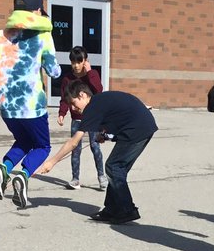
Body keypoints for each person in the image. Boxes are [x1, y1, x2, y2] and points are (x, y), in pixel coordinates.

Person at [0, 0, 61, 209]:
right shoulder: (43, 36)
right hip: (32, 106)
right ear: (36, 11)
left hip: (6, 105)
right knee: (42, 146)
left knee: (24, 141)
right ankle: (22, 176)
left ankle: (3, 168)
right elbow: (53, 71)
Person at [37, 83, 157, 224]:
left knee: (114, 167)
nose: (73, 108)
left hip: (137, 129)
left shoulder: (92, 107)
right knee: (117, 170)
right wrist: (104, 134)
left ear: (82, 95)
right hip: (143, 126)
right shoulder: (99, 102)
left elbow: (74, 142)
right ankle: (111, 209)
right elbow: (116, 115)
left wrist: (52, 161)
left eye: (74, 103)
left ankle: (127, 210)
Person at [57, 46, 105, 190]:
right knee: (75, 148)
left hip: (93, 118)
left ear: (85, 61)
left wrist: (89, 72)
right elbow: (65, 98)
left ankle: (102, 177)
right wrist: (62, 113)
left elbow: (99, 90)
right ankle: (75, 179)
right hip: (77, 119)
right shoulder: (67, 79)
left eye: (79, 61)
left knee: (95, 146)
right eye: (73, 62)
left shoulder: (93, 74)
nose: (76, 65)